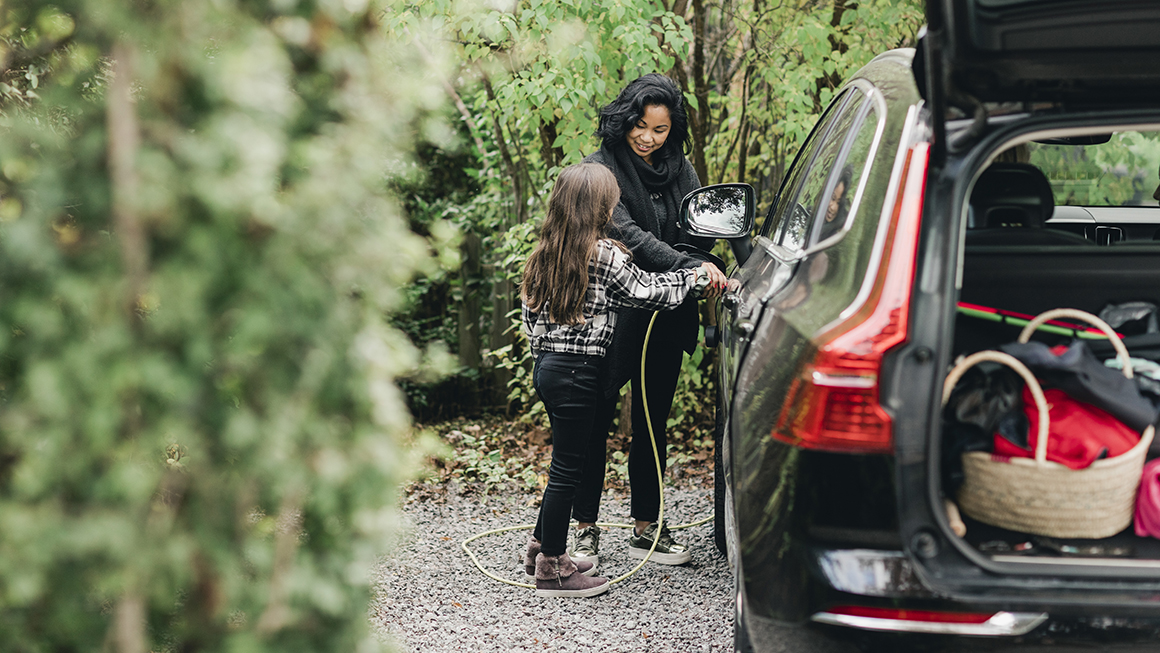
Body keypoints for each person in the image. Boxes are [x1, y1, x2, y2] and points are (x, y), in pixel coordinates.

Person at [521, 162, 718, 597]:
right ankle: (553, 568)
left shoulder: (542, 256)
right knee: (566, 471)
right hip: (581, 374)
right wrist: (693, 275)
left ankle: (540, 545)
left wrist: (549, 361)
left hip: (549, 369)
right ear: (598, 208)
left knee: (563, 463)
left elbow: (530, 320)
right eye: (612, 201)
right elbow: (649, 292)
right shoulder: (606, 256)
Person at [572, 73, 727, 567]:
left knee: (652, 420)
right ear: (624, 119)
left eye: (659, 130)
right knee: (594, 420)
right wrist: (688, 265)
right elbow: (630, 236)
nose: (647, 138)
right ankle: (584, 529)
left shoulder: (683, 171)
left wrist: (702, 259)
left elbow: (703, 231)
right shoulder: (600, 171)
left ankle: (647, 527)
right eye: (640, 125)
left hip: (667, 317)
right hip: (609, 316)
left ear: (672, 131)